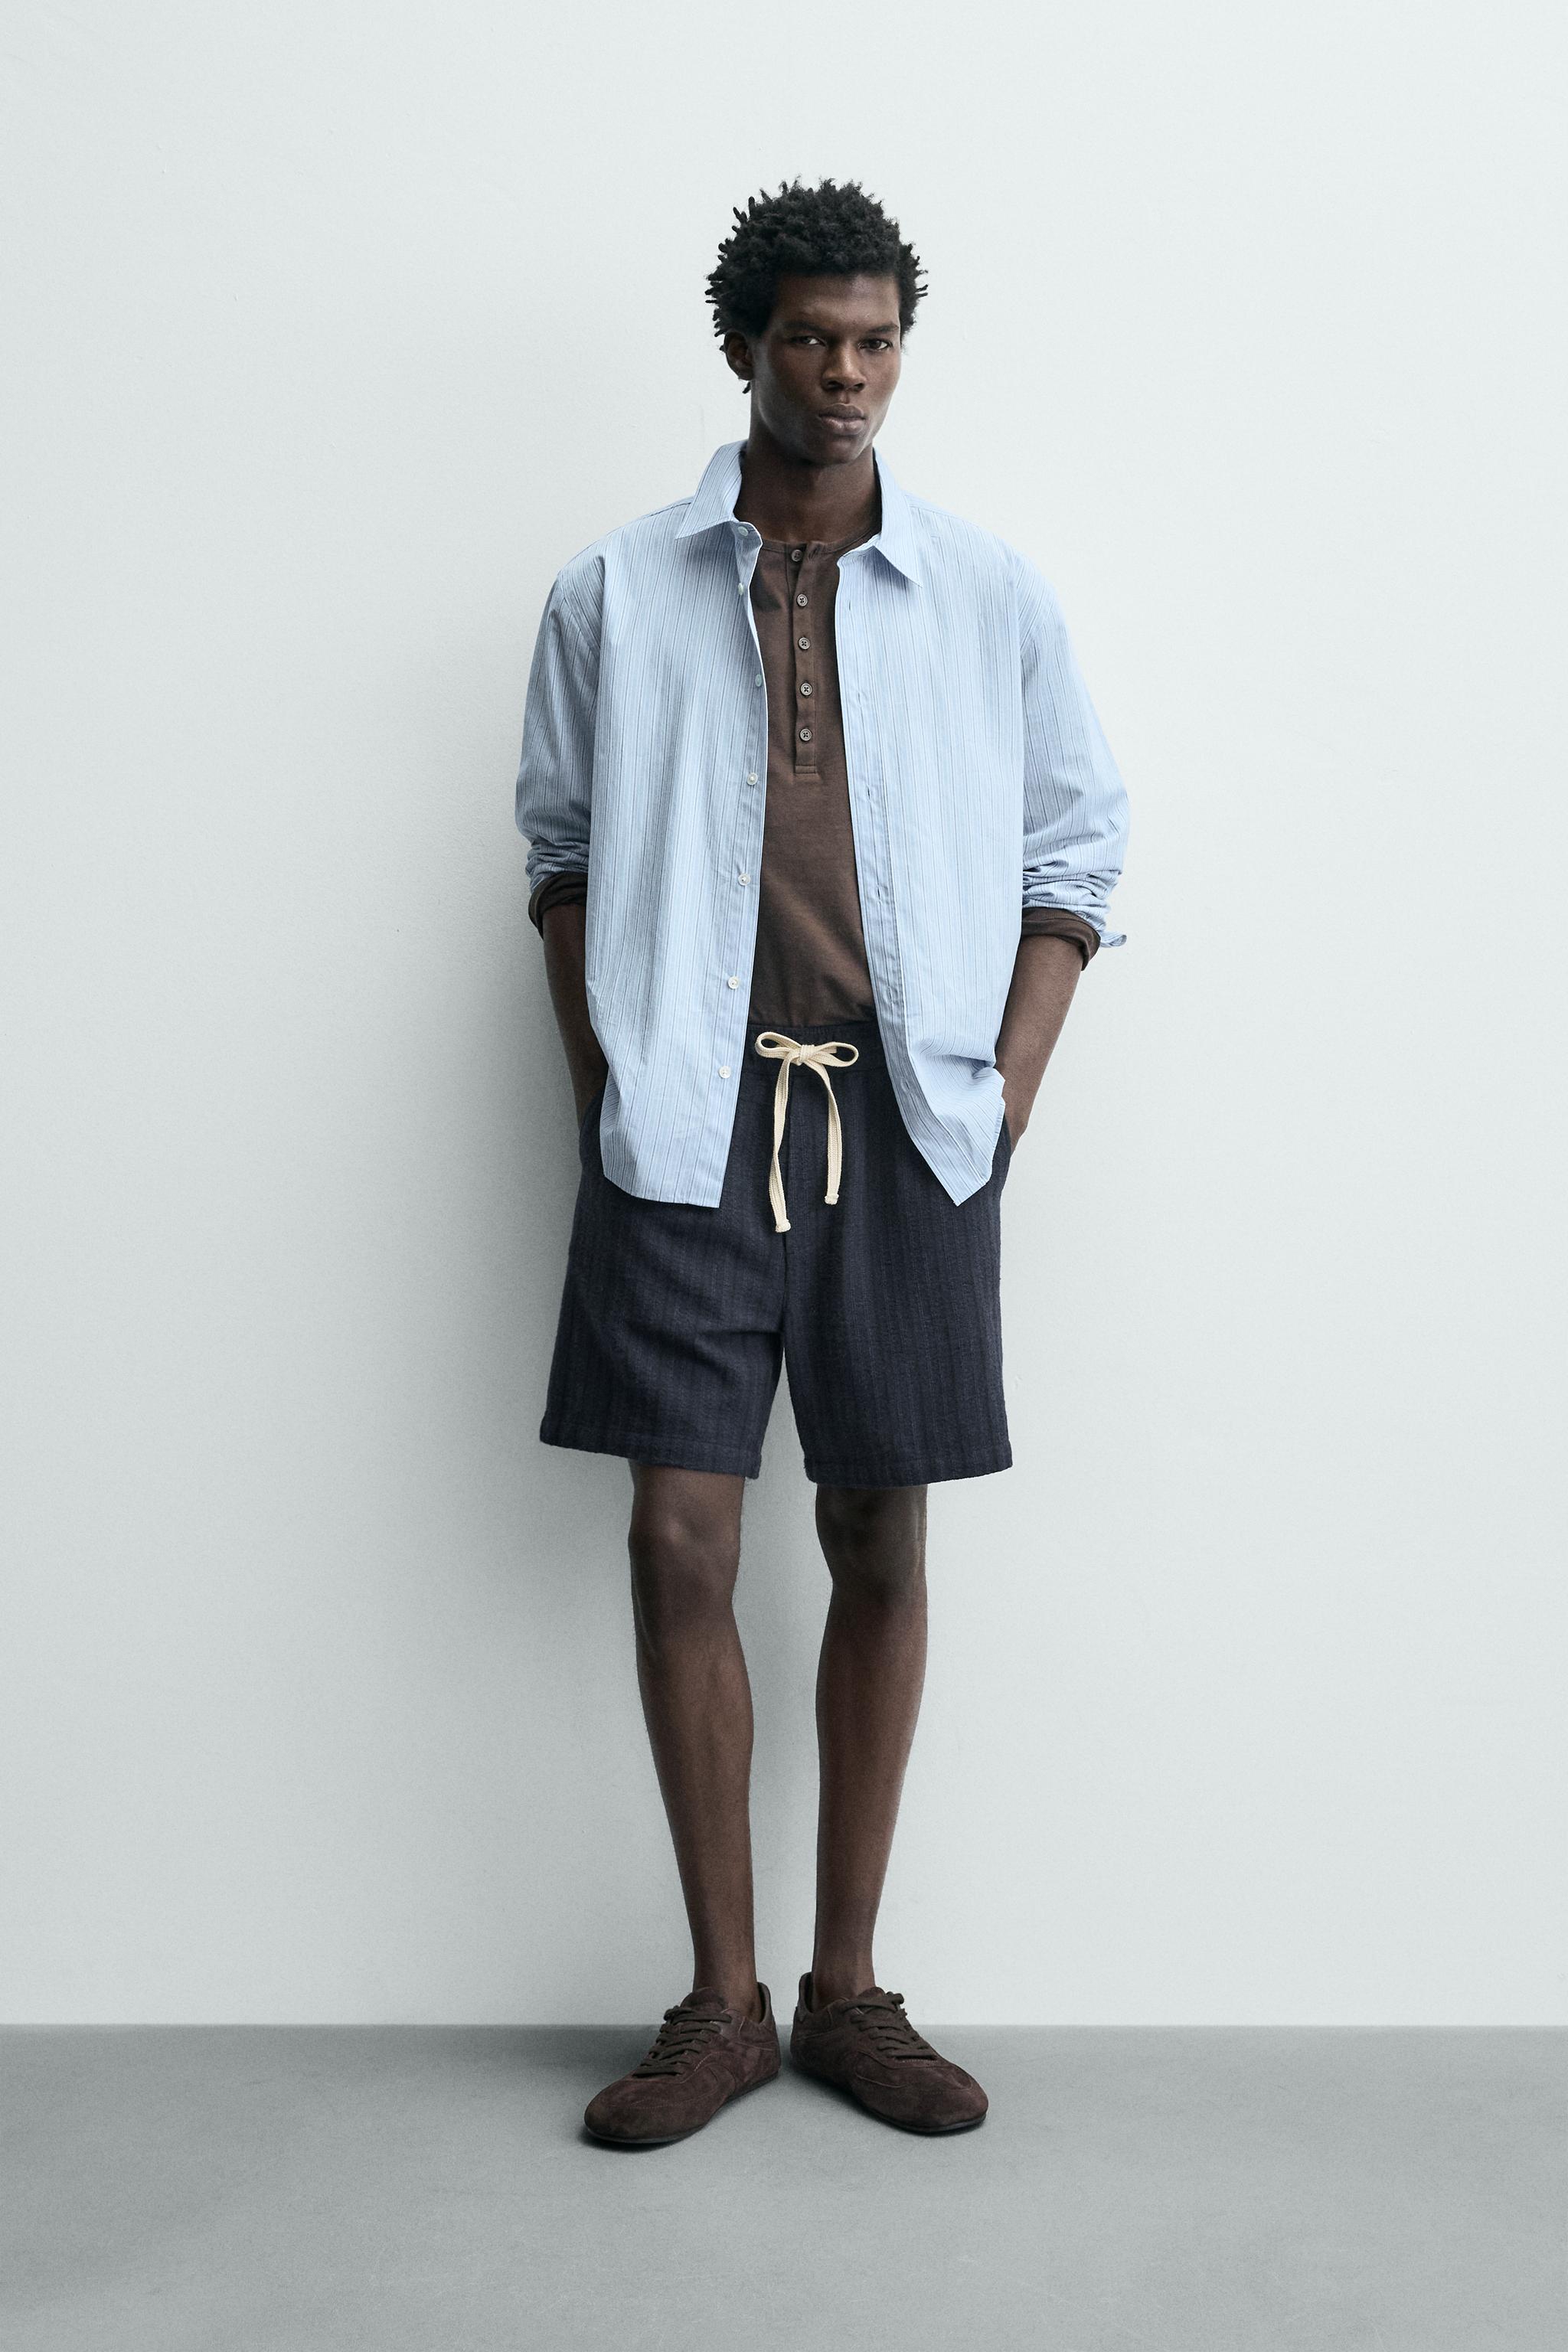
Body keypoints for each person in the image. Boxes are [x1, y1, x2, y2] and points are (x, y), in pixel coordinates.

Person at [514, 178, 1129, 2146]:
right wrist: (610, 1072)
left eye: (874, 343)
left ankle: (848, 1988)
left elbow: (1075, 849)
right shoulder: (617, 591)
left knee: (879, 1535)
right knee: (677, 1539)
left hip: (910, 1123)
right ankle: (720, 2005)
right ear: (743, 348)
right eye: (811, 340)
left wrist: (1002, 1093)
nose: (847, 375)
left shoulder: (986, 593)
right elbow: (558, 855)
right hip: (684, 1120)